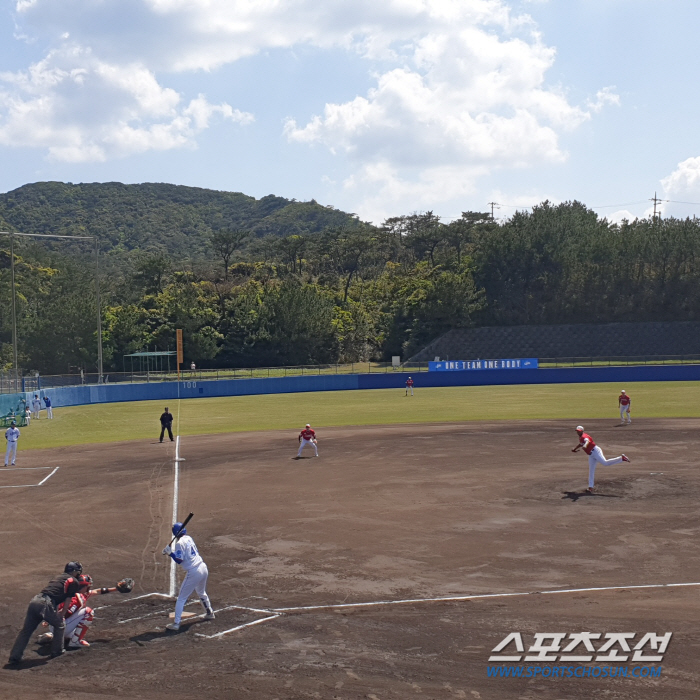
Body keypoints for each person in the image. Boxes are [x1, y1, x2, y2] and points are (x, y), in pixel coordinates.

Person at [8, 561, 85, 664]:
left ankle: (14, 656)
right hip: (45, 603)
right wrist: (61, 615)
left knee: (26, 631)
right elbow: (67, 600)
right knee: (60, 625)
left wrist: (55, 612)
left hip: (35, 601)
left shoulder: (58, 577)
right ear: (75, 571)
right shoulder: (73, 581)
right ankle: (57, 651)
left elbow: (55, 597)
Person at [37, 573, 122, 649]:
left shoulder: (75, 593)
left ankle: (54, 635)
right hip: (60, 624)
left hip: (54, 624)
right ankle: (74, 642)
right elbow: (64, 612)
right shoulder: (76, 599)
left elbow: (98, 591)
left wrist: (116, 588)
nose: (89, 587)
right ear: (84, 587)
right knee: (88, 612)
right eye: (88, 586)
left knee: (74, 628)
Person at [162, 522, 215, 631]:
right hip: (203, 568)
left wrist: (170, 553)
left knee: (181, 598)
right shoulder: (189, 538)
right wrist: (171, 552)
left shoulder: (179, 543)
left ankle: (176, 624)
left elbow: (179, 560)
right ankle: (209, 612)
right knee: (201, 592)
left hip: (194, 572)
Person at [572, 425, 630, 493]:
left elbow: (587, 441)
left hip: (595, 451)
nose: (577, 432)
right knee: (591, 470)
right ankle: (590, 487)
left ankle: (621, 458)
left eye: (579, 431)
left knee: (605, 463)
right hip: (591, 455)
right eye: (577, 431)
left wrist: (585, 445)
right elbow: (581, 443)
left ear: (582, 431)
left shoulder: (584, 436)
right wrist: (575, 448)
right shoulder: (580, 437)